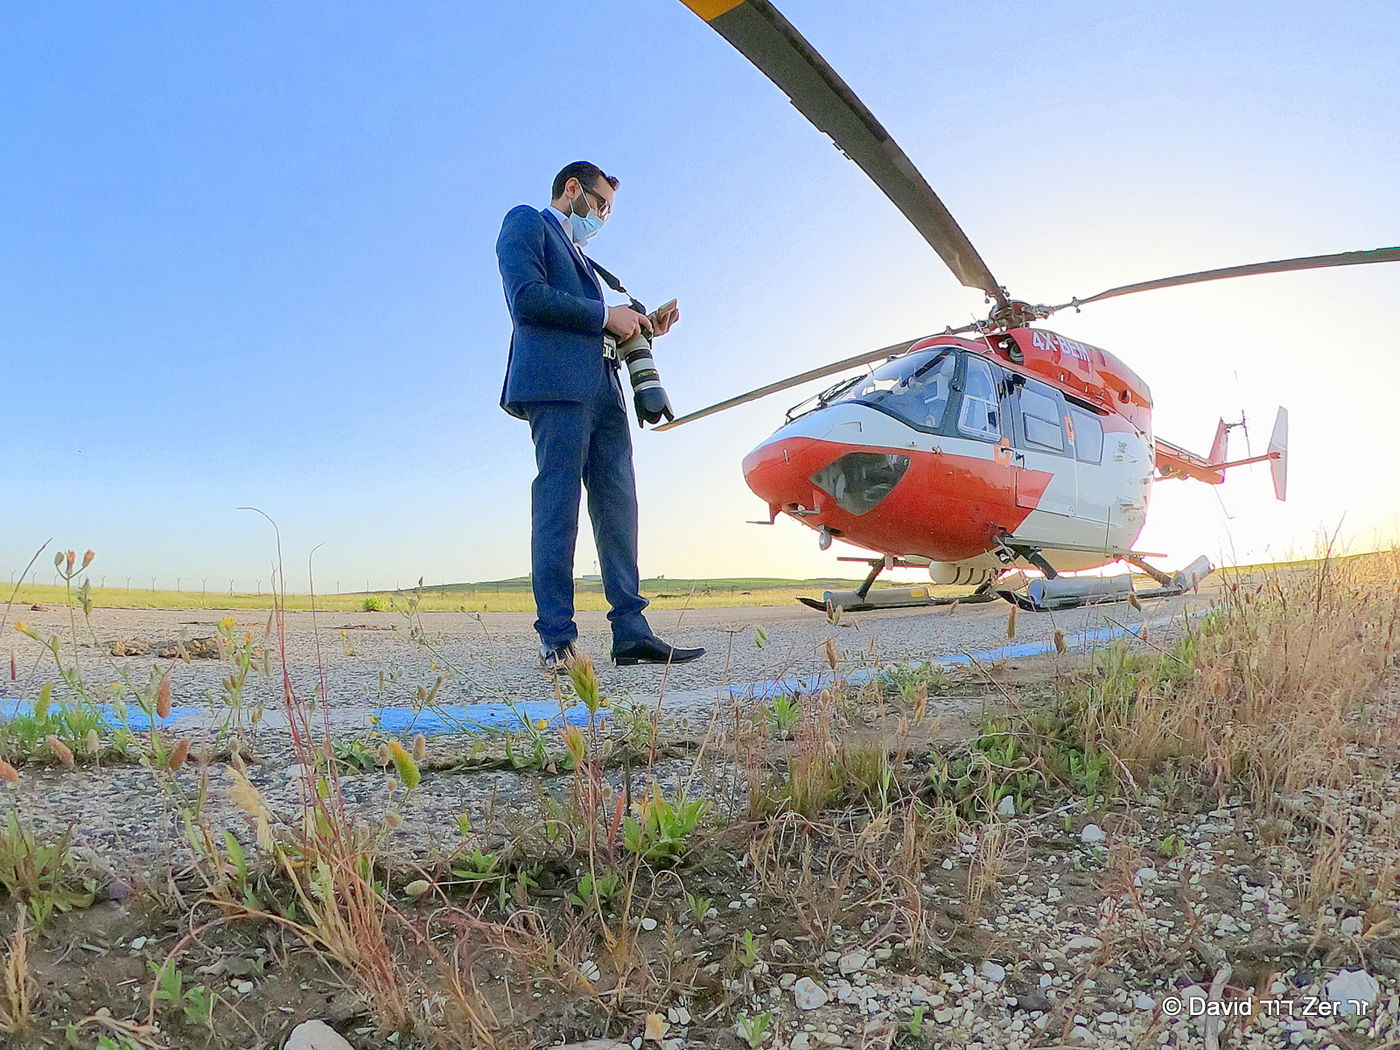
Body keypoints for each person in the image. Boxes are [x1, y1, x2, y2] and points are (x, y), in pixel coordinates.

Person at [495, 161, 705, 671]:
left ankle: (631, 633)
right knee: (558, 507)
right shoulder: (527, 222)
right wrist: (604, 314)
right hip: (558, 387)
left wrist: (641, 326)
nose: (604, 217)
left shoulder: (587, 264)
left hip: (606, 391)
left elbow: (598, 321)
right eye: (602, 205)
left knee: (619, 510)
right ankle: (558, 639)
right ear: (574, 189)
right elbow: (526, 299)